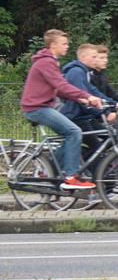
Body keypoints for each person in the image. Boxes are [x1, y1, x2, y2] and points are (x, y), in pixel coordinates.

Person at [20, 29, 106, 190]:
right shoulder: (46, 62)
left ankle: (51, 170)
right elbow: (62, 85)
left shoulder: (50, 61)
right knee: (74, 132)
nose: (67, 46)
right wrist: (87, 96)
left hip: (42, 106)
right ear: (53, 45)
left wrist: (80, 98)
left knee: (69, 136)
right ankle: (71, 177)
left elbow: (58, 89)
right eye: (64, 44)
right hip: (37, 108)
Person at [60, 43, 118, 168]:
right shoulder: (76, 72)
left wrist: (115, 105)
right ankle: (93, 177)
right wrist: (105, 113)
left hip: (83, 117)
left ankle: (90, 173)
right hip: (74, 117)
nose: (96, 60)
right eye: (94, 57)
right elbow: (82, 98)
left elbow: (94, 93)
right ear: (83, 57)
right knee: (97, 148)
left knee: (102, 144)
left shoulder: (84, 72)